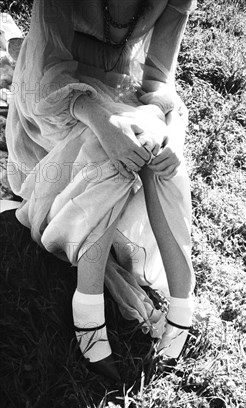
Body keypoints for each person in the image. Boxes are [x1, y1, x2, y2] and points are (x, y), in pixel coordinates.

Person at [5, 0, 197, 381]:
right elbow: (49, 73)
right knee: (111, 152)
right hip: (56, 96)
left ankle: (182, 305)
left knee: (150, 142)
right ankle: (87, 306)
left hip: (118, 91)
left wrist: (175, 132)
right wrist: (104, 124)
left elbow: (158, 79)